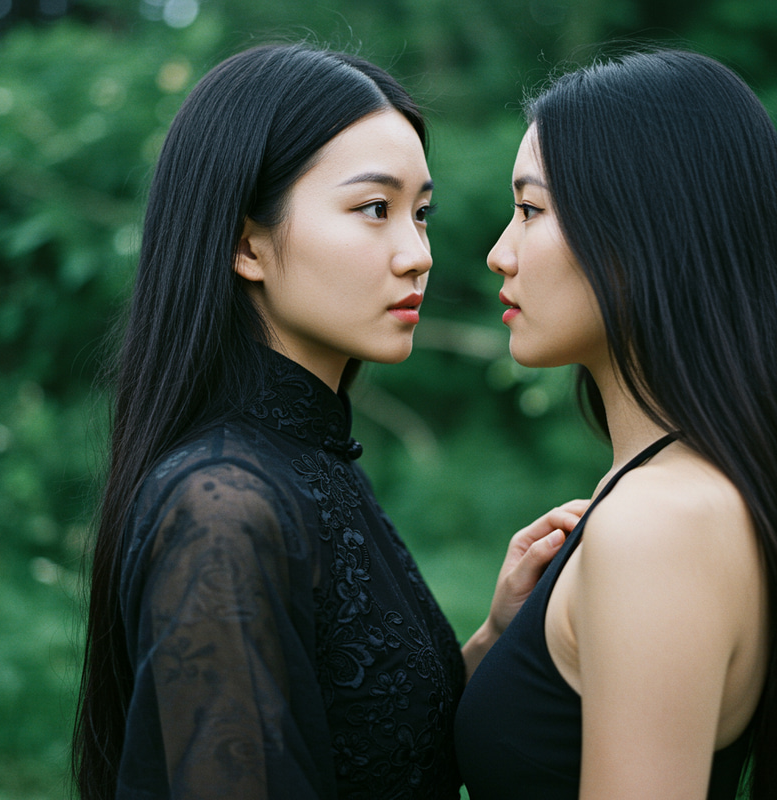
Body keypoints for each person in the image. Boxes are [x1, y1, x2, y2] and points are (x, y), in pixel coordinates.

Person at [72, 43, 587, 799]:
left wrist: (495, 641)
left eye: (421, 214)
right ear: (246, 242)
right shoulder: (223, 504)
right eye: (373, 209)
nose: (418, 255)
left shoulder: (309, 461)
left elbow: (375, 751)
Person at [454, 48, 777, 799]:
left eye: (530, 210)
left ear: (641, 234)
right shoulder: (664, 492)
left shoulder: (658, 525)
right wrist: (502, 638)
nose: (500, 253)